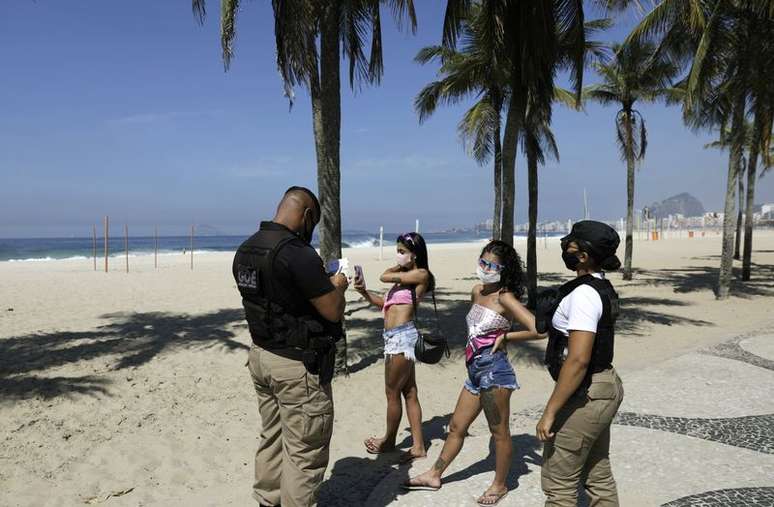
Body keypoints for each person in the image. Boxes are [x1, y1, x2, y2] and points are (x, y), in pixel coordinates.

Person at [232, 186, 349, 507]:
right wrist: (337, 284)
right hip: (297, 367)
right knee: (304, 452)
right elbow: (332, 310)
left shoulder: (247, 249)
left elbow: (276, 299)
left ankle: (266, 501)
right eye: (313, 223)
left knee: (272, 436)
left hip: (261, 357)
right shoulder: (297, 253)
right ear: (307, 216)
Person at [404, 240, 544, 506]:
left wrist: (507, 336)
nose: (486, 268)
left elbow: (539, 328)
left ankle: (500, 485)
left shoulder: (505, 297)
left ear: (504, 269)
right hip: (474, 373)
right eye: (484, 262)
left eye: (493, 265)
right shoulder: (476, 291)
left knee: (499, 432)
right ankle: (434, 474)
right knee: (456, 426)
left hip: (495, 373)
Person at [536, 220, 624, 506]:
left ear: (583, 255)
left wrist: (550, 412)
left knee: (559, 484)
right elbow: (554, 331)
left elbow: (578, 358)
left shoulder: (584, 295)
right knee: (597, 473)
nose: (566, 246)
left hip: (587, 392)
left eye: (571, 244)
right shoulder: (599, 286)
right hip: (604, 386)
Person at [354, 232, 434, 463]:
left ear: (414, 255)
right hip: (393, 337)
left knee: (391, 393)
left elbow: (383, 276)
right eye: (397, 251)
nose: (397, 255)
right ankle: (418, 446)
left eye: (401, 251)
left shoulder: (420, 274)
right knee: (409, 392)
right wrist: (363, 291)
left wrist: (398, 267)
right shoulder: (404, 279)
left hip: (402, 338)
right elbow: (385, 305)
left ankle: (389, 440)